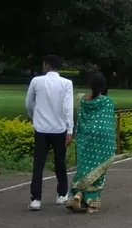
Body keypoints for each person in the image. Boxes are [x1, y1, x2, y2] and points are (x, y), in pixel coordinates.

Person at [25, 54, 74, 211]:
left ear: (46, 66)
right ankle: (62, 194)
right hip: (59, 128)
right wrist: (70, 128)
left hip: (41, 128)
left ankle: (36, 199)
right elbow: (68, 107)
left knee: (38, 163)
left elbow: (28, 103)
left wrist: (35, 117)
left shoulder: (36, 81)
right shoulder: (67, 83)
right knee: (60, 162)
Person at [67, 73, 116, 214]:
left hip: (86, 137)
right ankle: (91, 204)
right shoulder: (107, 101)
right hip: (102, 138)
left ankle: (78, 194)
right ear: (103, 86)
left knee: (84, 167)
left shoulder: (82, 100)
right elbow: (108, 122)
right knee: (98, 170)